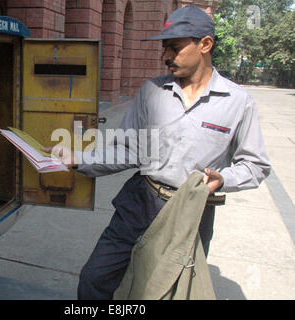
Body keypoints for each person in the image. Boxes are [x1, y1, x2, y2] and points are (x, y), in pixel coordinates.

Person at [42, 5, 271, 300]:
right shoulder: (152, 91)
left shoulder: (238, 102)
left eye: (174, 48)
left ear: (205, 44)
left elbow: (255, 165)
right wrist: (79, 158)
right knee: (95, 280)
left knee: (164, 291)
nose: (165, 57)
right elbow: (129, 151)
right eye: (164, 48)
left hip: (189, 213)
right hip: (139, 202)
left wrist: (223, 180)